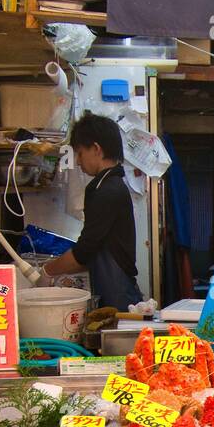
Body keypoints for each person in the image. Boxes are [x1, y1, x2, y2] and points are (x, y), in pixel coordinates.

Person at [43, 112, 140, 310]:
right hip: (114, 288)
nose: (78, 161)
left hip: (118, 294)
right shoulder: (107, 185)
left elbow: (84, 252)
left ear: (96, 149)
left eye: (80, 153)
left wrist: (44, 272)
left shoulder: (107, 190)